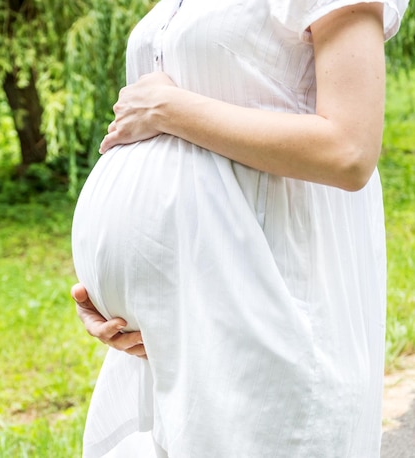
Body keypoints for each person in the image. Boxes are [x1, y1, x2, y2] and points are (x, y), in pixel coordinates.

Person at [70, 1, 409, 457]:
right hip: (174, 332)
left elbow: (348, 151)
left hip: (274, 306)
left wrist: (168, 108)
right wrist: (121, 297)